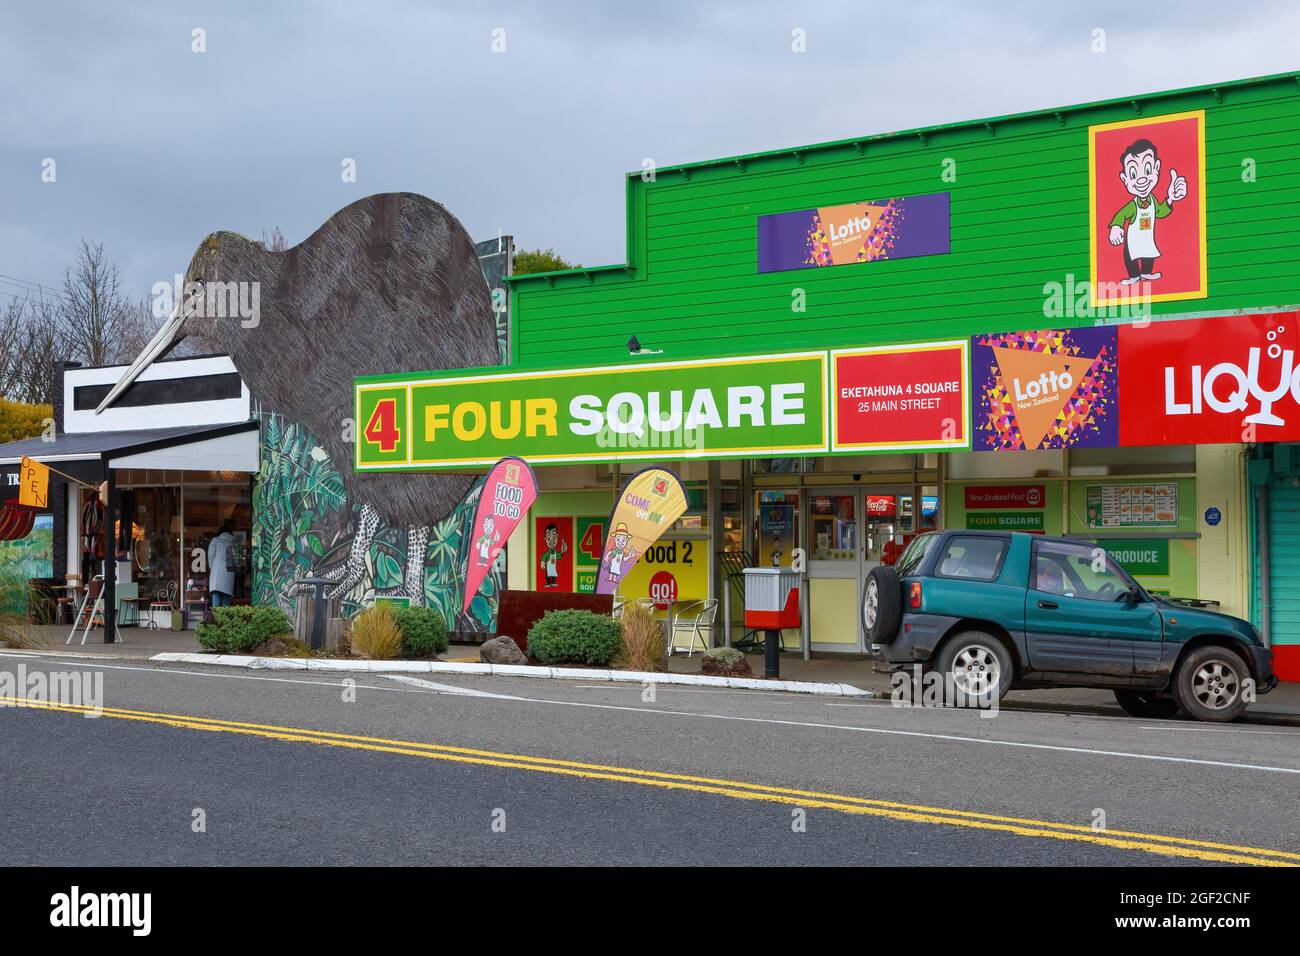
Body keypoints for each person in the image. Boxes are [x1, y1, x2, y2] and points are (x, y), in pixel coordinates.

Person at [1106, 138, 1188, 286]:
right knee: (1130, 255)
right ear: (1124, 179)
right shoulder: (1132, 206)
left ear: (1157, 167)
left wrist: (1170, 199)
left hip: (1146, 237)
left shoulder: (1153, 200)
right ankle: (1133, 275)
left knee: (1149, 252)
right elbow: (1121, 215)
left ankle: (1146, 273)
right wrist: (1116, 227)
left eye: (1148, 170)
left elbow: (1160, 212)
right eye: (1133, 174)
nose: (1142, 179)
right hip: (1133, 239)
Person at [207, 523, 237, 607]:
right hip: (230, 570)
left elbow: (211, 555)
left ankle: (216, 617)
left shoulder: (215, 540)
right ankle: (224, 618)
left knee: (216, 593)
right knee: (226, 595)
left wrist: (210, 568)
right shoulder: (235, 541)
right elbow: (238, 559)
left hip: (216, 569)